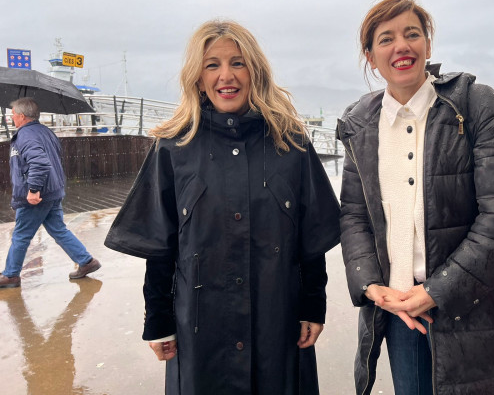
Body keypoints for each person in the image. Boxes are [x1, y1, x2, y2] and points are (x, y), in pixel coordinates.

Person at [104, 20, 341, 395]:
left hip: (277, 324)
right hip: (200, 332)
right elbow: (159, 246)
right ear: (198, 77)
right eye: (212, 64)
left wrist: (314, 305)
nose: (225, 75)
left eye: (238, 63)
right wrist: (158, 320)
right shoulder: (172, 148)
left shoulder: (291, 144)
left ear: (256, 72)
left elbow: (310, 239)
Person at [337, 0, 494, 395]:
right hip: (399, 315)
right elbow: (354, 215)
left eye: (412, 34)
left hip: (469, 305)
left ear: (427, 44)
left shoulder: (474, 104)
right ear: (370, 56)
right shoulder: (357, 123)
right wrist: (372, 287)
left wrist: (437, 291)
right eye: (386, 39)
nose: (401, 46)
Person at [0, 97, 101, 289]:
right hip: (52, 192)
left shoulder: (26, 136)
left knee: (21, 235)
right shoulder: (45, 132)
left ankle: (11, 275)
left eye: (12, 114)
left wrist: (33, 190)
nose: (11, 118)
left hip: (37, 197)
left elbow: (39, 163)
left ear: (21, 116)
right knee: (59, 230)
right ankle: (86, 262)